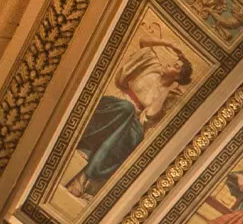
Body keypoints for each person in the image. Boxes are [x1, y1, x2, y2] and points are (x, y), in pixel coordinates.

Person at [66, 42, 194, 197]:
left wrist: (166, 90)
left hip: (128, 122)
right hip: (112, 107)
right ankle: (86, 172)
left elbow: (151, 114)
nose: (169, 64)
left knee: (136, 134)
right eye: (172, 61)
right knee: (126, 108)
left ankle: (86, 174)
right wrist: (167, 43)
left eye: (175, 66)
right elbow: (144, 42)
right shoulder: (152, 66)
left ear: (178, 77)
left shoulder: (166, 93)